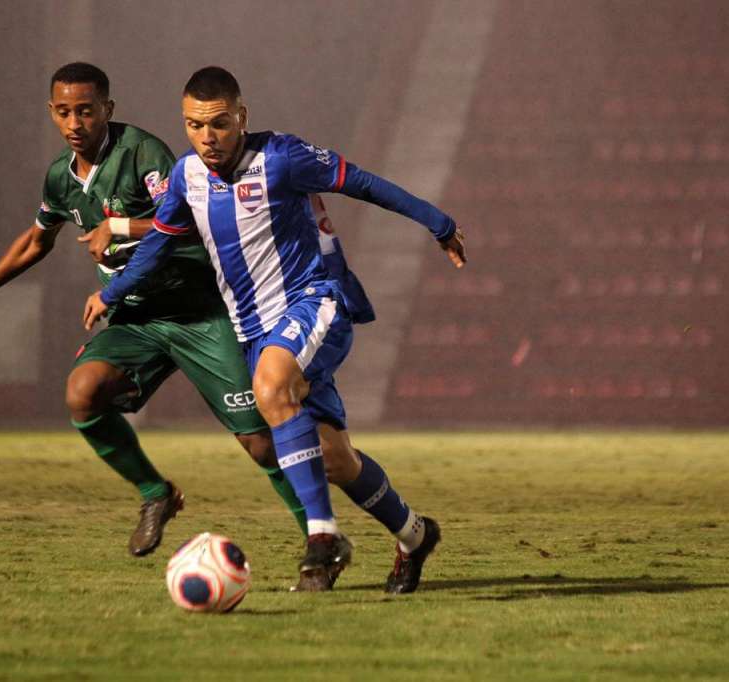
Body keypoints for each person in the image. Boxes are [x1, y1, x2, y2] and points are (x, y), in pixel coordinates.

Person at [84, 66, 467, 593]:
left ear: (242, 116)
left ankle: (323, 538)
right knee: (335, 458)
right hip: (253, 330)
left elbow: (364, 183)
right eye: (194, 125)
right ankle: (414, 534)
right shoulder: (186, 176)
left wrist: (438, 222)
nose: (206, 137)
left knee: (270, 388)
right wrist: (113, 290)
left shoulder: (282, 158)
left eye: (218, 123)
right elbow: (162, 240)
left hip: (313, 302)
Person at [0, 62, 307, 557]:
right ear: (51, 112)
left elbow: (194, 220)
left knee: (259, 443)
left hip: (199, 313)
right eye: (64, 112)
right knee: (82, 393)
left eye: (86, 111)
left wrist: (120, 226)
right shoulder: (60, 180)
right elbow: (35, 241)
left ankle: (319, 539)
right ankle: (156, 494)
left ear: (107, 110)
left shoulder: (142, 154)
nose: (75, 123)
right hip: (137, 320)